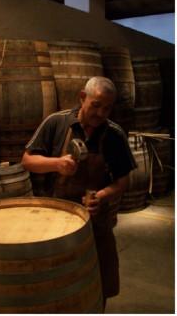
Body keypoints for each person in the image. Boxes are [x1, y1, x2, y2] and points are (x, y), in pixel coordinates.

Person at [21, 76, 136, 309]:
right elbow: (27, 160)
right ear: (82, 98)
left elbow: (124, 180)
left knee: (97, 285)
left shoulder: (114, 134)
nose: (101, 113)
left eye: (107, 108)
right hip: (54, 221)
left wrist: (101, 196)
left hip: (95, 224)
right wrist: (56, 164)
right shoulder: (57, 122)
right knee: (53, 287)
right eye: (96, 105)